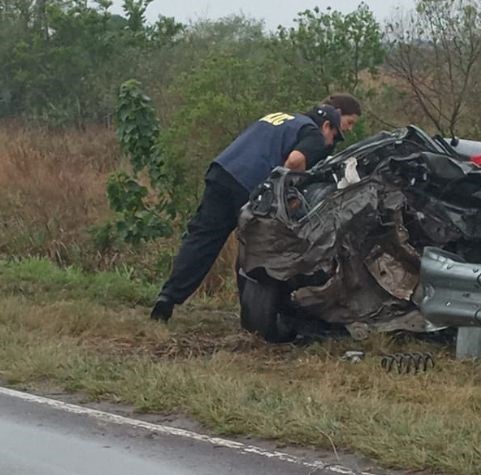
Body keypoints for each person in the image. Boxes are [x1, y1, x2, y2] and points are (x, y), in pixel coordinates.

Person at [150, 94, 363, 322]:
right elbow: (294, 161)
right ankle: (254, 318)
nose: (337, 139)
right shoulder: (313, 133)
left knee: (202, 239)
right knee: (256, 250)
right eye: (342, 129)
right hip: (249, 184)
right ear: (328, 123)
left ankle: (168, 297)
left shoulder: (282, 117)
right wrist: (287, 192)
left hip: (222, 170)